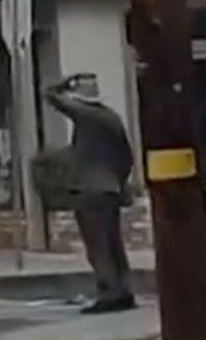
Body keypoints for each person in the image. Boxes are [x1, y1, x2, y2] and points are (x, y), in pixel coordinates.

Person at [43, 73, 136, 314]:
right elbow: (126, 156)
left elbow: (50, 96)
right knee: (114, 243)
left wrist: (64, 82)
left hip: (89, 190)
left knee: (97, 245)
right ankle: (124, 290)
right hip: (109, 188)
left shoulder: (87, 115)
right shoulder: (111, 117)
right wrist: (117, 180)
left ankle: (108, 294)